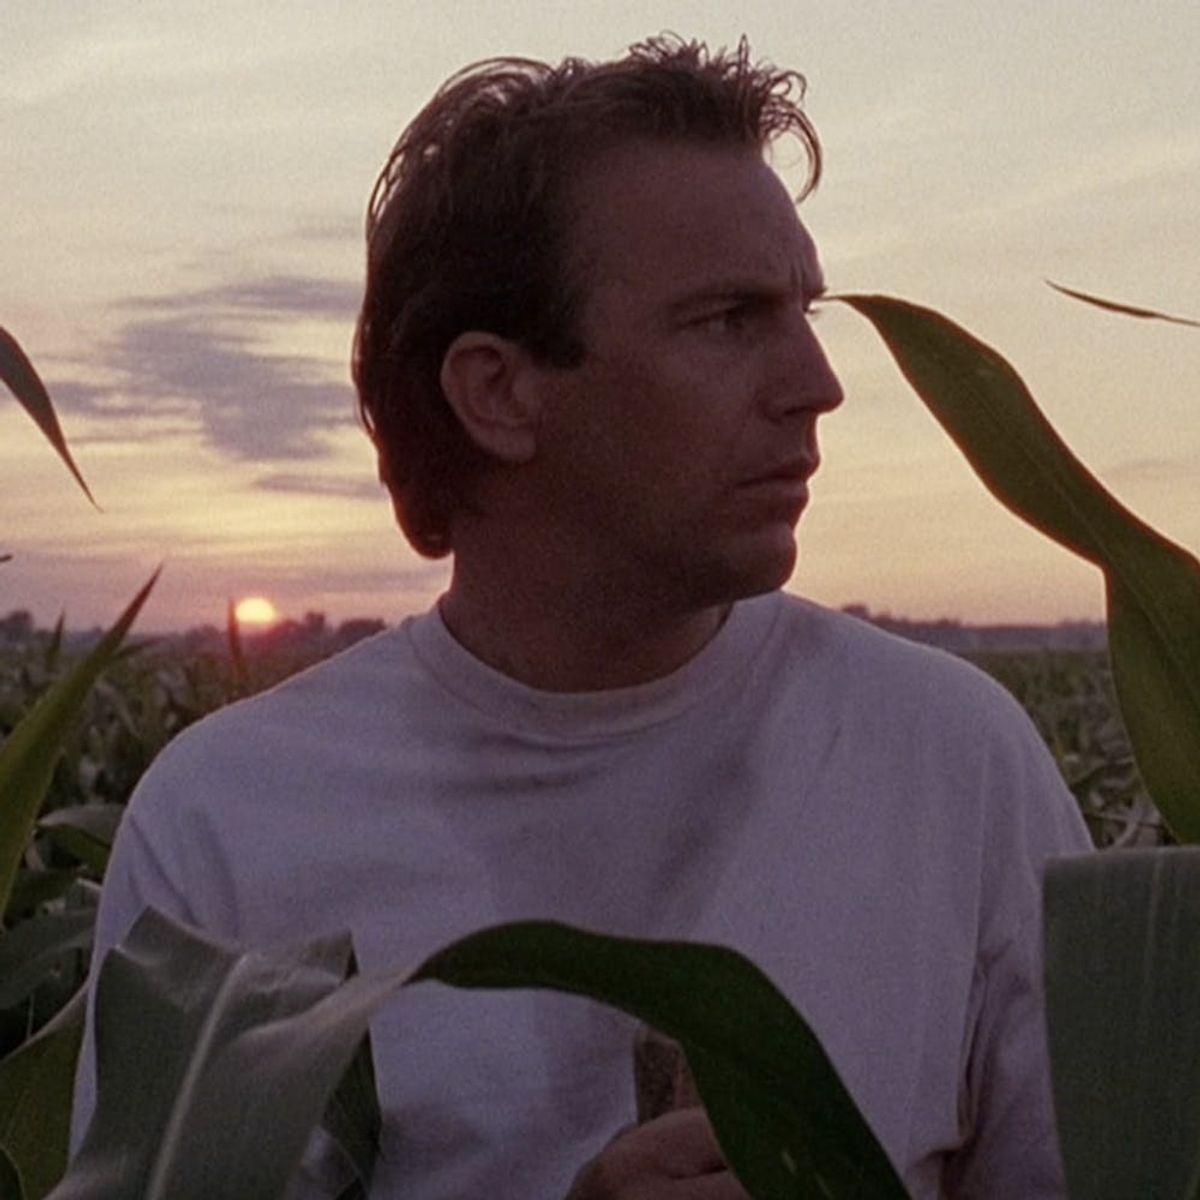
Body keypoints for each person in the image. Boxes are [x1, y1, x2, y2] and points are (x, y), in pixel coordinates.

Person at [72, 35, 1092, 1199]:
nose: (819, 383)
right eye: (729, 319)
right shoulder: (231, 824)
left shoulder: (952, 760)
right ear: (499, 392)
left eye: (804, 310)